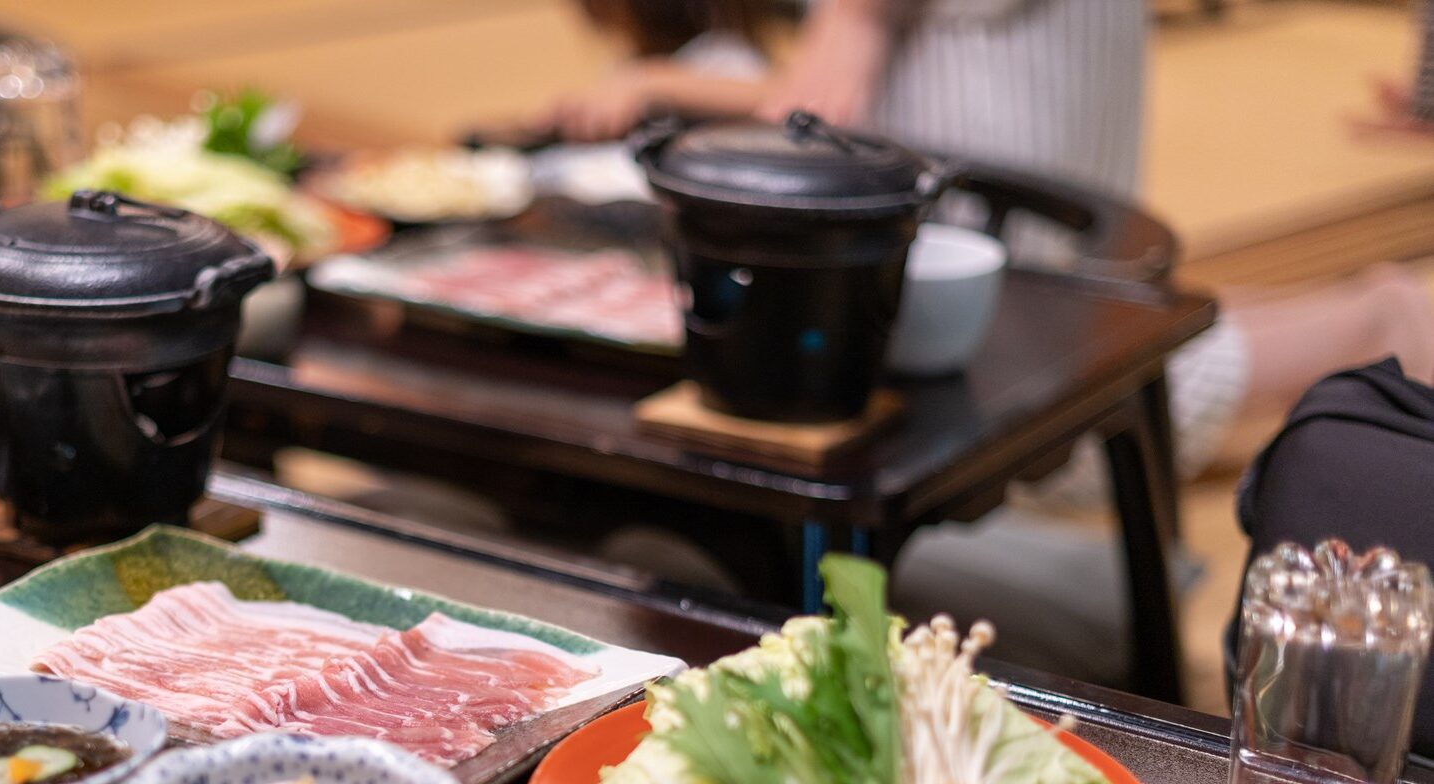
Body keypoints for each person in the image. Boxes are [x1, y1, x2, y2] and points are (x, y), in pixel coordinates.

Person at [536, 0, 1434, 490]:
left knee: (1061, 406)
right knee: (1103, 320)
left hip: (999, 283)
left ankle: (1384, 322)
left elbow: (811, 107)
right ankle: (1377, 311)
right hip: (1056, 234)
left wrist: (657, 79)